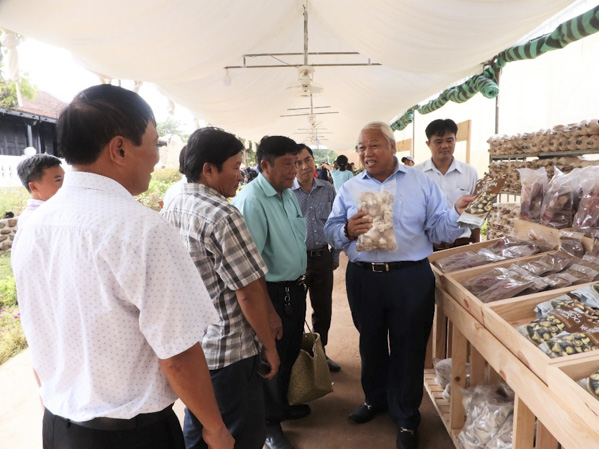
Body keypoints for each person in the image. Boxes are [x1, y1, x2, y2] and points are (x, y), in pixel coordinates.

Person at [11, 84, 234, 449]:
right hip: (130, 435)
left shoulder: (34, 225)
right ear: (119, 148)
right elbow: (177, 354)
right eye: (155, 143)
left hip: (60, 425)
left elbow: (41, 331)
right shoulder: (141, 229)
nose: (156, 158)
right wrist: (214, 428)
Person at [324, 121, 474, 449]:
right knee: (371, 341)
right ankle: (374, 400)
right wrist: (347, 231)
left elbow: (439, 229)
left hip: (410, 276)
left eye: (373, 145)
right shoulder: (349, 187)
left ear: (392, 147)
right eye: (361, 147)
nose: (366, 153)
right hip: (364, 276)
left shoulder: (420, 183)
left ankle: (406, 416)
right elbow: (331, 228)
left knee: (408, 347)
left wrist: (456, 214)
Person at [161, 127, 283, 449]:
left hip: (196, 347)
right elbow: (247, 292)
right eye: (235, 166)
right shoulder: (222, 214)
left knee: (202, 427)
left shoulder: (173, 203)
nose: (241, 174)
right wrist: (269, 345)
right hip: (231, 351)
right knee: (240, 435)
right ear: (209, 170)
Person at [232, 136, 307, 449]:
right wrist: (270, 311)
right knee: (270, 356)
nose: (296, 170)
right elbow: (252, 267)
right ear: (265, 165)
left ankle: (282, 408)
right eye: (288, 163)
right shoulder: (252, 200)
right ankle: (269, 426)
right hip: (271, 293)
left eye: (298, 162)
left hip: (293, 288)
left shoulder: (286, 194)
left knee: (288, 352)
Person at [292, 144, 341, 373]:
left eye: (308, 160)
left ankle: (321, 355)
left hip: (322, 256)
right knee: (296, 310)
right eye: (298, 162)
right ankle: (299, 360)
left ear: (314, 161)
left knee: (323, 309)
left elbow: (337, 221)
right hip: (296, 261)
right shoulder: (287, 194)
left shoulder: (328, 189)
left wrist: (335, 253)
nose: (304, 166)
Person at [414, 119, 479, 249]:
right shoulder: (416, 174)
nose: (444, 145)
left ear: (455, 140)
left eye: (449, 140)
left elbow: (475, 213)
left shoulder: (469, 172)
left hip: (461, 244)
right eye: (438, 141)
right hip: (427, 246)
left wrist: (476, 244)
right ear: (428, 143)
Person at [16, 153, 64, 226]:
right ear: (34, 187)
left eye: (66, 179)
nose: (65, 184)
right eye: (58, 180)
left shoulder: (56, 209)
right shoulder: (34, 218)